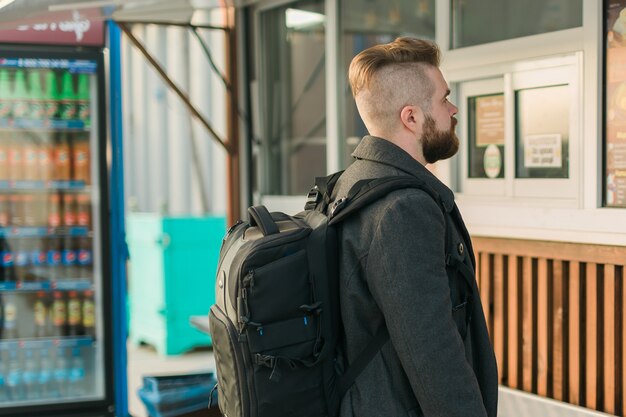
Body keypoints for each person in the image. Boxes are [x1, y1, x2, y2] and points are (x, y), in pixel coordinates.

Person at [332, 37, 498, 417]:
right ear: (411, 117)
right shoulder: (404, 210)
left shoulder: (352, 183)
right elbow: (432, 351)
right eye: (443, 99)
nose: (454, 109)